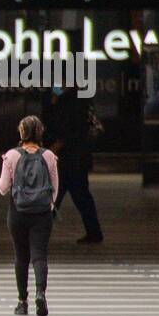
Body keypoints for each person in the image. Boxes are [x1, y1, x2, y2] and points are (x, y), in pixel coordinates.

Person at [0, 115, 60, 316]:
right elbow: (55, 188)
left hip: (18, 213)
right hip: (42, 214)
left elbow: (3, 188)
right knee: (39, 256)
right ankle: (41, 293)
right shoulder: (48, 156)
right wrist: (47, 207)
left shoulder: (12, 156)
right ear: (40, 132)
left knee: (21, 256)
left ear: (22, 132)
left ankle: (22, 301)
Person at [44, 88, 104, 244]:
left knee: (62, 193)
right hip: (73, 157)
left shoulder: (72, 100)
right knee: (76, 194)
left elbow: (70, 128)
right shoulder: (67, 98)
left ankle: (39, 231)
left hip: (71, 157)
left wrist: (55, 147)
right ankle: (94, 231)